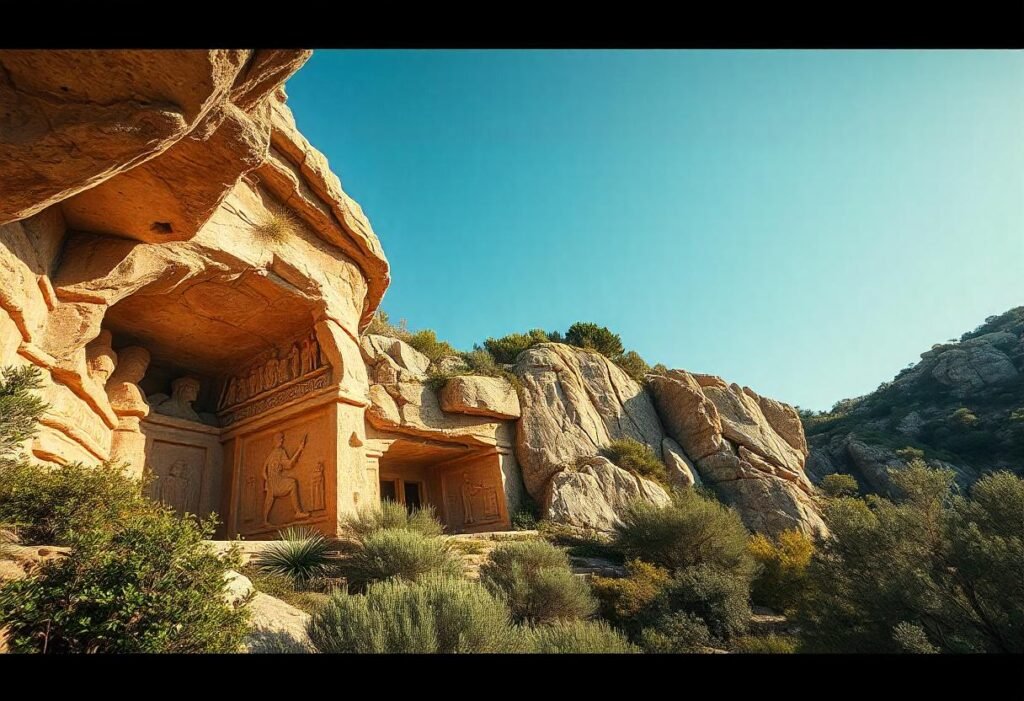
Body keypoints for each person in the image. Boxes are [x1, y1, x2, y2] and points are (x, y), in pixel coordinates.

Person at [262, 432, 309, 525]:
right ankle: (297, 512)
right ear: (275, 441)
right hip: (276, 483)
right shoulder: (280, 452)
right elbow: (289, 464)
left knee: (269, 500)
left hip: (272, 483)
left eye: (282, 438)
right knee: (292, 483)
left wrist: (268, 481)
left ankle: (264, 521)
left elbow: (263, 471)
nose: (282, 440)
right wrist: (299, 449)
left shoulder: (271, 454)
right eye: (280, 438)